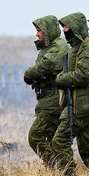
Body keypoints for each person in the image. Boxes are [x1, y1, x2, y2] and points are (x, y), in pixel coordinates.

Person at [45, 12, 89, 176]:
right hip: (79, 100)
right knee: (86, 142)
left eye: (67, 27)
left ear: (76, 28)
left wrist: (61, 79)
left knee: (60, 141)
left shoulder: (88, 48)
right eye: (63, 27)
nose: (64, 30)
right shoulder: (77, 47)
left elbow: (84, 75)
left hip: (82, 101)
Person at [23, 15, 70, 164]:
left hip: (53, 100)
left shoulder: (59, 47)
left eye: (39, 31)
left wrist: (29, 74)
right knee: (53, 141)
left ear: (48, 30)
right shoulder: (50, 47)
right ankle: (61, 175)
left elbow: (44, 67)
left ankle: (56, 166)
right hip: (48, 99)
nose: (37, 34)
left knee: (35, 136)